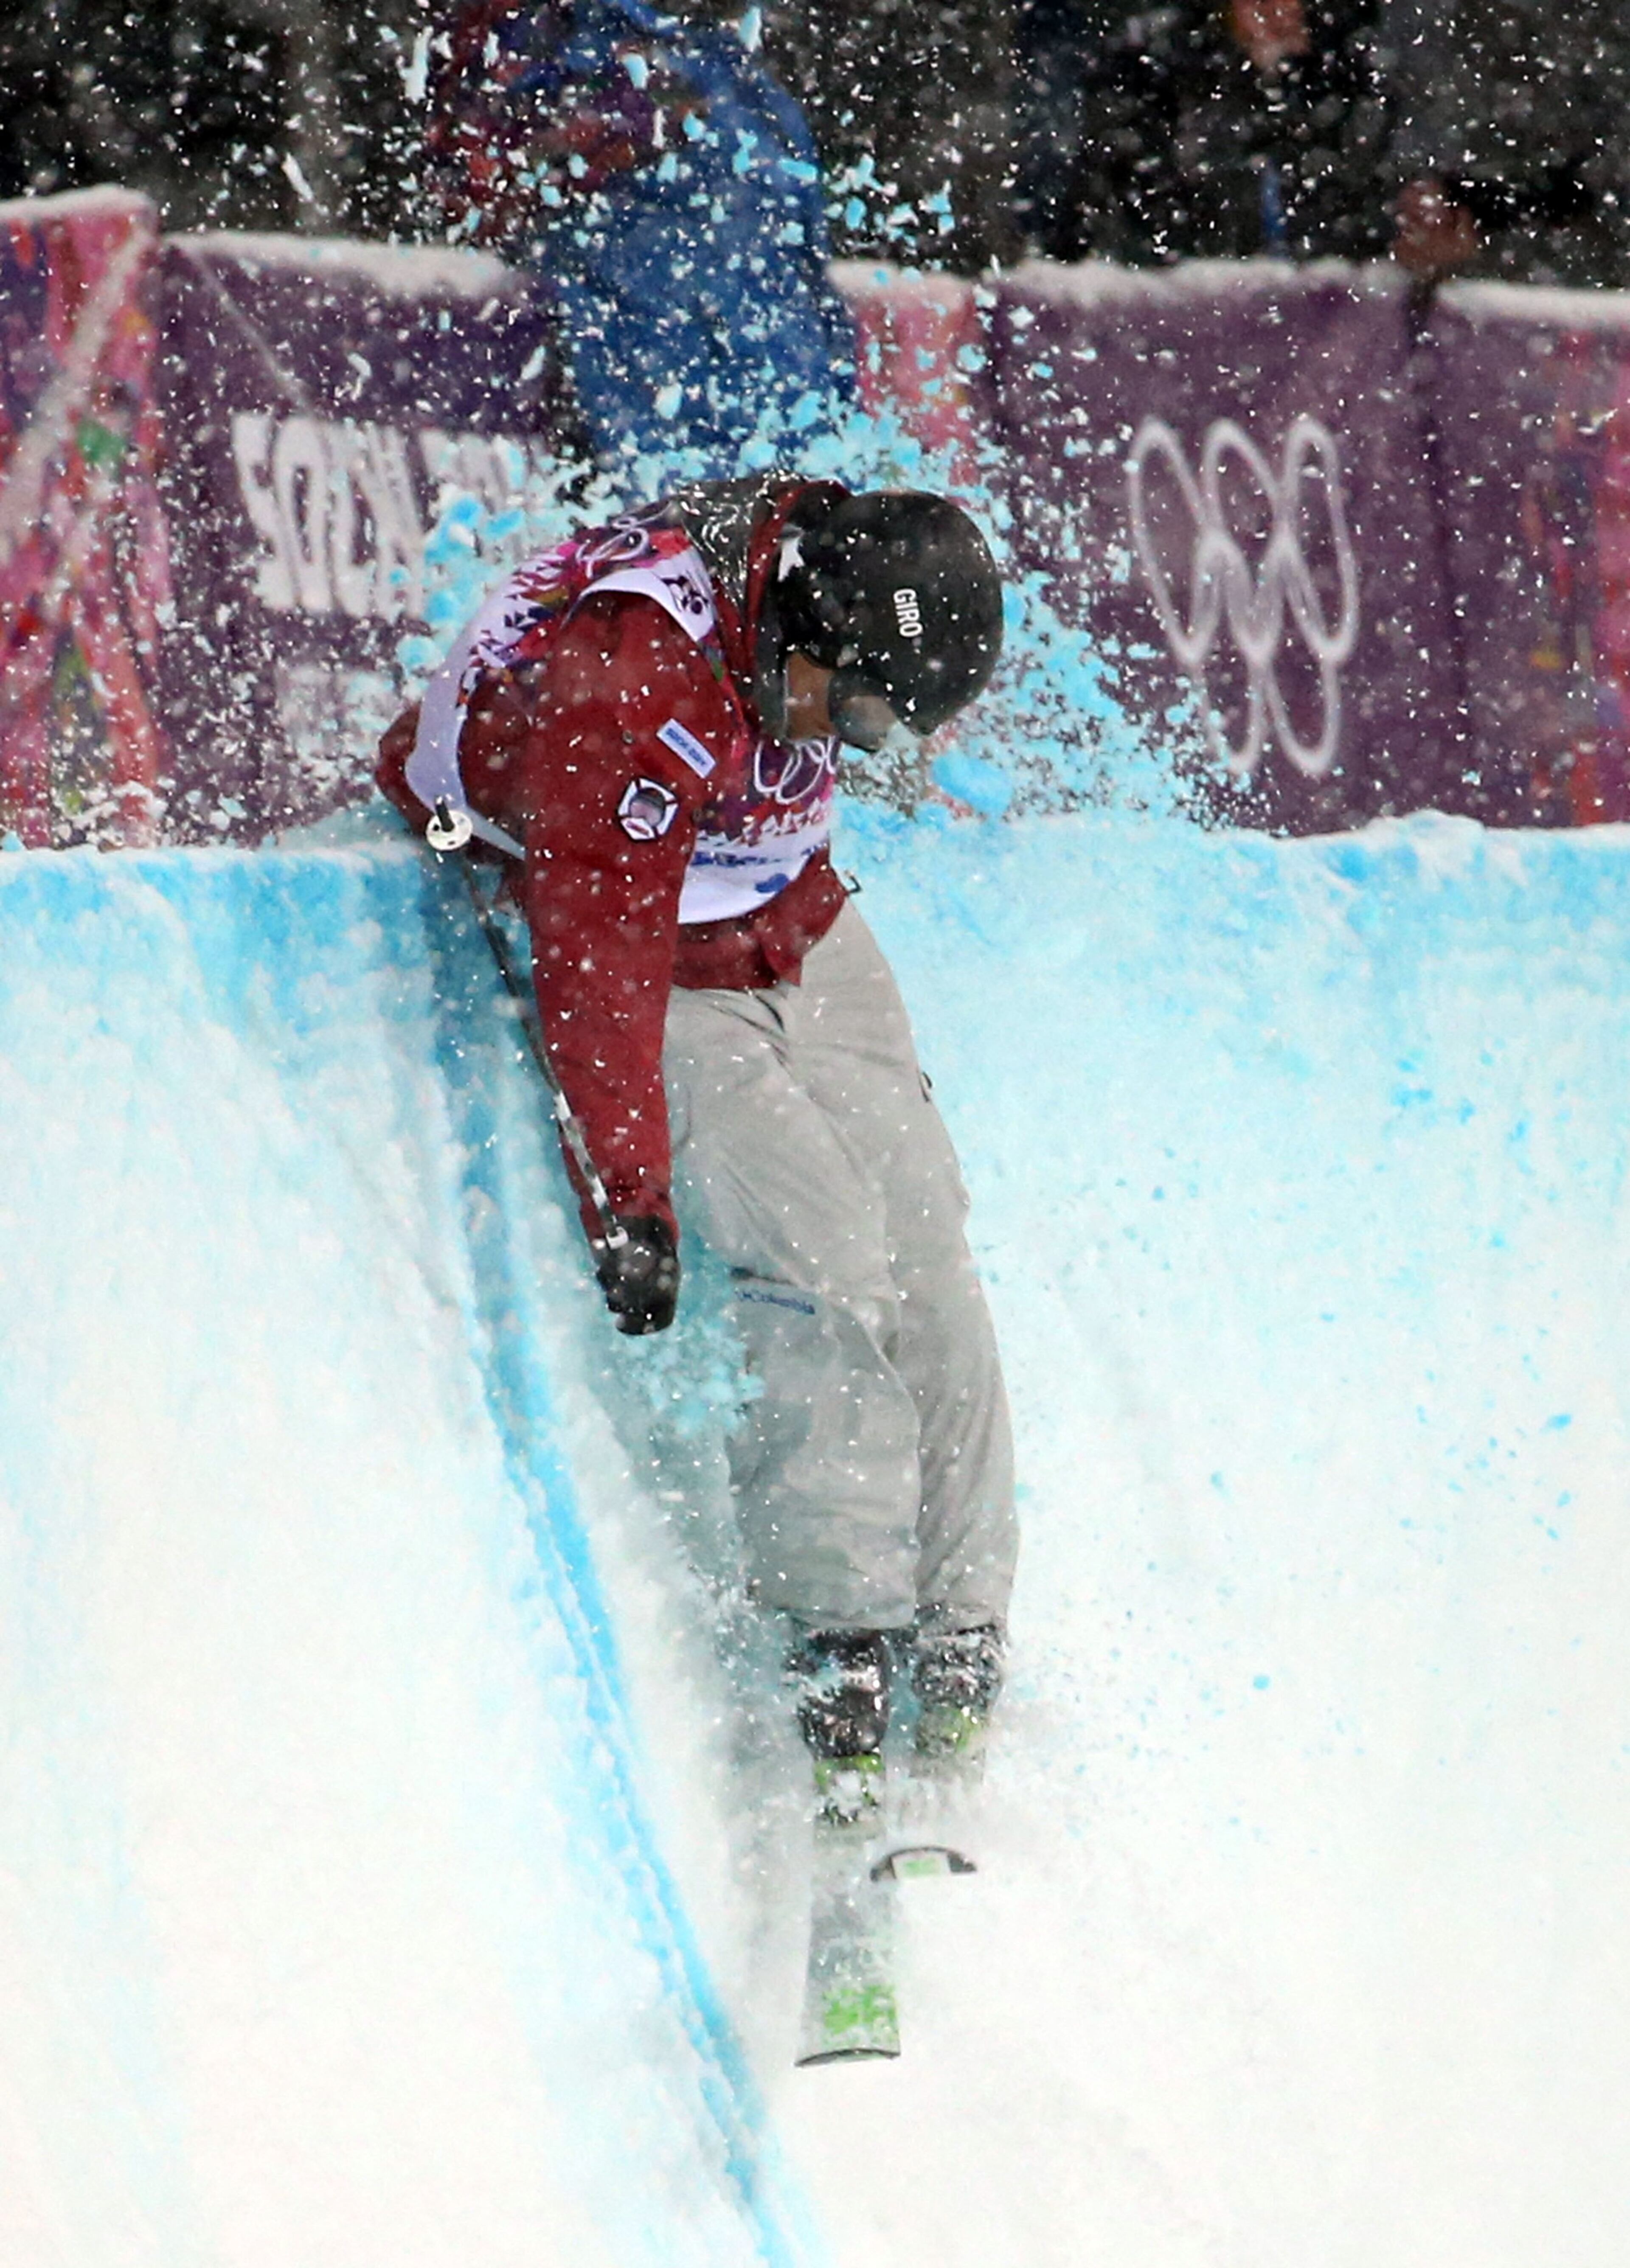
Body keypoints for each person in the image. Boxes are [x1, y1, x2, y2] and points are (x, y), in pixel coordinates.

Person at [376, 471, 1018, 1797]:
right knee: (822, 1244)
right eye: (855, 709)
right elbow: (595, 961)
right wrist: (629, 1196)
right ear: (803, 639)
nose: (859, 738)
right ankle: (835, 1630)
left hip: (784, 907)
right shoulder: (629, 694)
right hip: (642, 931)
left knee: (925, 1235)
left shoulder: (817, 575)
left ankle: (961, 1621)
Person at [426, 0, 857, 475]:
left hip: (766, 409)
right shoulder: (554, 35)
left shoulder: (729, 71)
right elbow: (475, 182)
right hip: (648, 397)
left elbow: (812, 268)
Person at [1015, 0, 1391, 265]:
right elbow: (1144, 191)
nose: (1277, 12)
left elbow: (1356, 189)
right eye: (1259, 3)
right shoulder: (1171, 70)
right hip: (1197, 280)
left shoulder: (1342, 80)